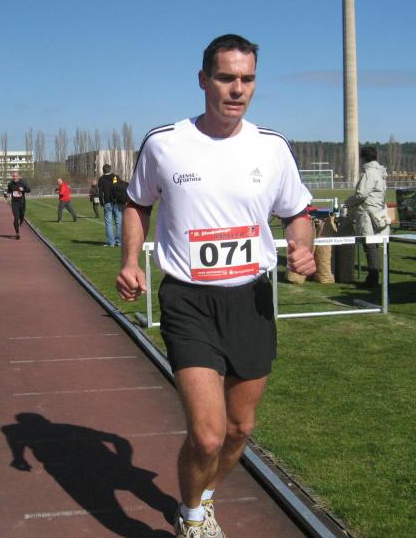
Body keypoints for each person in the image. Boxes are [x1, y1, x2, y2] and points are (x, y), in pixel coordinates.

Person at [116, 34, 315, 538]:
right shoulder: (166, 142)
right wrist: (131, 260)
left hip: (251, 300)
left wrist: (302, 245)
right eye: (227, 78)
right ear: (203, 80)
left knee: (239, 429)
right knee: (207, 435)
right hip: (189, 299)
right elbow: (137, 203)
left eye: (247, 79)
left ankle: (203, 497)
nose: (237, 89)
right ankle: (190, 516)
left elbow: (297, 211)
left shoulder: (271, 147)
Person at [343, 146, 390, 287]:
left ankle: (373, 277)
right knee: (374, 245)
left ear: (363, 158)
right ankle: (374, 276)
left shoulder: (369, 173)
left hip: (368, 214)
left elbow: (361, 194)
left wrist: (348, 202)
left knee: (369, 245)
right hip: (377, 212)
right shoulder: (380, 172)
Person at [3, 170, 31, 239]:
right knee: (16, 218)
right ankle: (17, 233)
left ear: (18, 176)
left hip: (22, 203)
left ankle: (21, 221)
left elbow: (29, 190)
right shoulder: (10, 184)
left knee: (22, 216)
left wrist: (23, 189)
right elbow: (8, 191)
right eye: (13, 176)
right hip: (14, 203)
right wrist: (7, 195)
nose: (15, 178)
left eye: (16, 176)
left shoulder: (23, 183)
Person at [98, 164, 121, 246]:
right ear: (110, 169)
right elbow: (119, 188)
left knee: (108, 223)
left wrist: (101, 202)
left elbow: (100, 192)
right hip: (117, 201)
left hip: (107, 202)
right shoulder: (115, 177)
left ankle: (111, 242)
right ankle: (119, 242)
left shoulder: (101, 179)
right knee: (118, 222)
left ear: (103, 170)